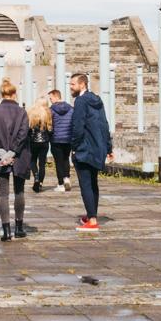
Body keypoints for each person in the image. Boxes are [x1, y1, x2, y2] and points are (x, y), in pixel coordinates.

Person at [0, 80, 31, 241]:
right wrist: (12, 153)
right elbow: (23, 133)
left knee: (3, 194)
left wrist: (2, 153)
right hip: (19, 156)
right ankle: (19, 227)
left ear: (1, 94)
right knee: (19, 191)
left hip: (0, 157)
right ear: (14, 94)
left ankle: (6, 229)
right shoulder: (21, 112)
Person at [67, 73, 112, 232]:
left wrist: (74, 146)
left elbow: (78, 126)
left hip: (84, 148)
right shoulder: (97, 100)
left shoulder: (80, 101)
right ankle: (91, 214)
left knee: (86, 184)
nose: (70, 87)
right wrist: (108, 147)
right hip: (97, 148)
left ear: (82, 84)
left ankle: (92, 220)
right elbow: (104, 124)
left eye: (73, 84)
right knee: (93, 183)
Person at [49, 89, 74, 192]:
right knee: (65, 159)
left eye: (51, 98)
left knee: (58, 162)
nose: (50, 100)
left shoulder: (51, 110)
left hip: (56, 139)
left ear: (55, 96)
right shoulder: (71, 109)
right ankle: (66, 178)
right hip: (68, 138)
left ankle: (60, 184)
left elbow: (49, 124)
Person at [27, 96, 53, 193]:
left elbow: (28, 128)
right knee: (42, 163)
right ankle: (41, 183)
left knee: (32, 161)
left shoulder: (31, 112)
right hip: (44, 141)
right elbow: (50, 129)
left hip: (33, 141)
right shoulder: (48, 113)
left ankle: (36, 177)